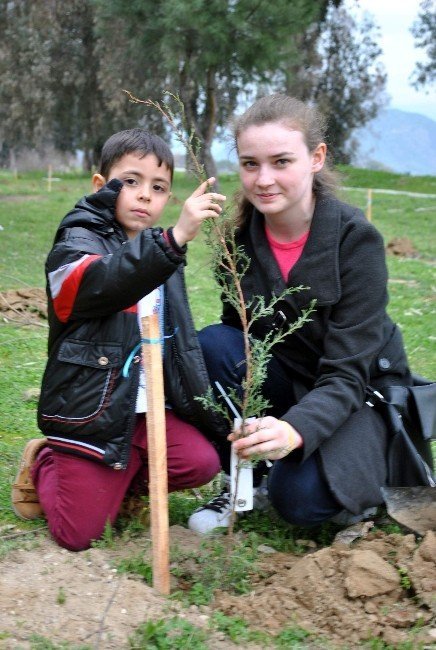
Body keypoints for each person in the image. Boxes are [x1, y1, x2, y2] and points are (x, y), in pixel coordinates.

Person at [188, 93, 416, 535]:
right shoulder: (236, 244)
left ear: (316, 157)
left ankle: (359, 478)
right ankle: (242, 478)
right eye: (250, 163)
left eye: (281, 161)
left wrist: (293, 430)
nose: (263, 179)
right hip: (289, 381)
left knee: (297, 500)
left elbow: (348, 373)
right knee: (214, 345)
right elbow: (243, 346)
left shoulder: (357, 241)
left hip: (357, 394)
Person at [12, 128, 226, 551]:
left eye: (158, 187)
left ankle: (116, 483)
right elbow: (104, 283)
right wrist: (173, 240)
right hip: (92, 409)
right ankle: (44, 463)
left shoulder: (163, 254)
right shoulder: (76, 241)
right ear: (100, 186)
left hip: (147, 411)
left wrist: (207, 412)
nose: (145, 195)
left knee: (201, 462)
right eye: (131, 181)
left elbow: (177, 341)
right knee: (78, 535)